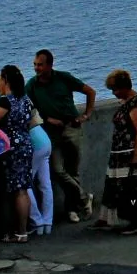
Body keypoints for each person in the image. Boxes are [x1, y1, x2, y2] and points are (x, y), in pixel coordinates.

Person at [28, 49, 96, 223]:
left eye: (40, 65)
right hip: (51, 133)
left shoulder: (63, 78)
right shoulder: (32, 85)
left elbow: (90, 92)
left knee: (73, 170)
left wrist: (86, 115)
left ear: (50, 65)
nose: (37, 68)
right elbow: (27, 105)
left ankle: (72, 209)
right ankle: (84, 197)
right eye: (35, 64)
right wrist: (46, 117)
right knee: (58, 170)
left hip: (71, 127)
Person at [96, 69, 137, 234]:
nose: (114, 93)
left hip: (131, 152)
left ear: (124, 87)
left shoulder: (136, 105)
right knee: (117, 186)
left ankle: (135, 221)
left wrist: (136, 155)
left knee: (132, 189)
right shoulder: (126, 103)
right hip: (120, 153)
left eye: (115, 90)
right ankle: (108, 219)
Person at [0, 64, 36, 244]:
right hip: (26, 144)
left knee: (17, 190)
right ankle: (24, 228)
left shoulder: (5, 101)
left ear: (5, 80)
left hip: (12, 148)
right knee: (23, 188)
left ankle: (20, 233)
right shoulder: (26, 99)